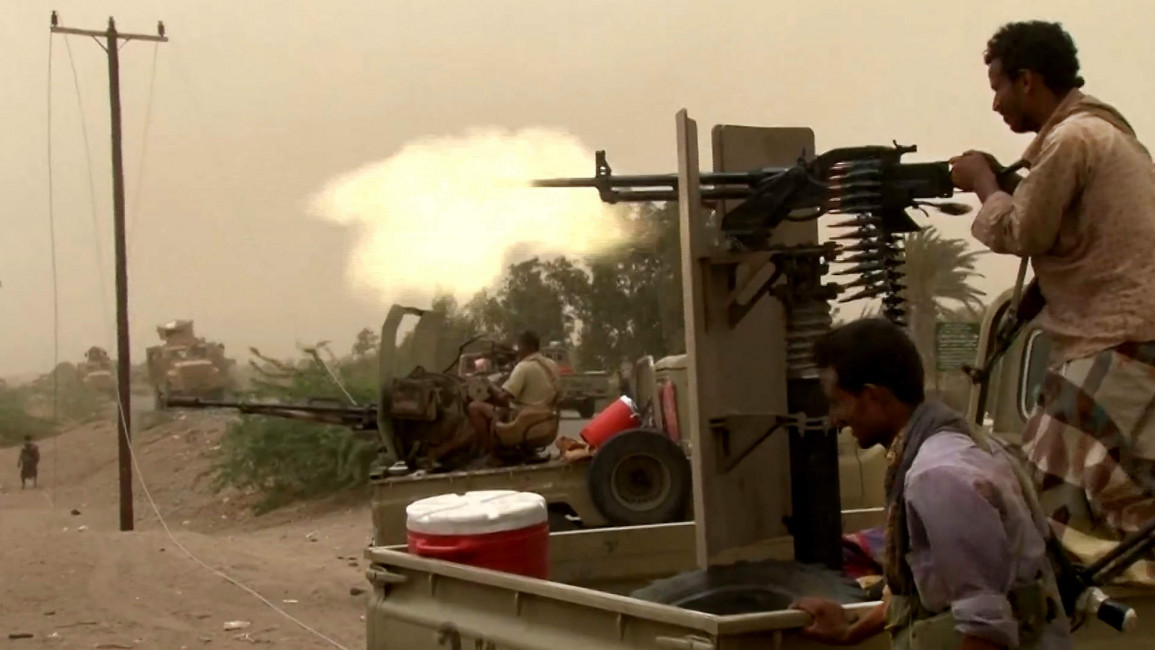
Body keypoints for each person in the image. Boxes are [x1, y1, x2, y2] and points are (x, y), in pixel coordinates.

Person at [950, 20, 1155, 584]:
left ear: (1028, 80)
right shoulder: (1105, 136)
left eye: (999, 87)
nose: (995, 103)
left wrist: (983, 184)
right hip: (1127, 334)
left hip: (1112, 336)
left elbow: (1023, 232)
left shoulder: (1071, 141)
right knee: (1122, 483)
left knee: (1052, 476)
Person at [791, 318, 1072, 650]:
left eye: (839, 403)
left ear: (872, 397)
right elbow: (928, 587)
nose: (836, 420)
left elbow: (987, 629)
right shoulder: (960, 445)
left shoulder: (938, 476)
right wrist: (850, 632)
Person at [427, 331, 561, 466]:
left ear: (526, 346)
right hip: (542, 414)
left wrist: (489, 387)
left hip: (522, 415)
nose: (518, 351)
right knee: (493, 411)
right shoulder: (551, 365)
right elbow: (556, 393)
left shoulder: (524, 367)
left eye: (519, 347)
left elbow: (503, 399)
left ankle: (491, 454)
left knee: (475, 408)